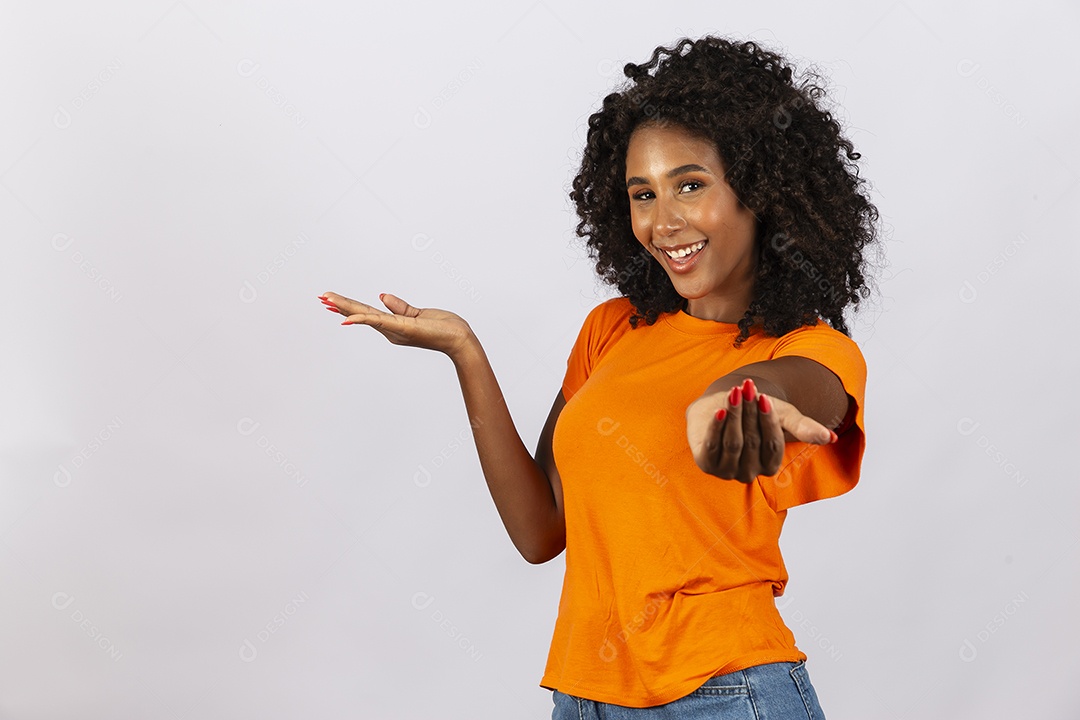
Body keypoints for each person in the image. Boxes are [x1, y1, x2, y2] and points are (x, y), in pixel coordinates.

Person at [319, 34, 880, 719]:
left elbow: (796, 385)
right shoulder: (612, 331)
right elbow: (539, 532)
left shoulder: (812, 347)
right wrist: (465, 351)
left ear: (758, 192)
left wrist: (737, 399)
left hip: (728, 692)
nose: (663, 221)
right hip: (583, 696)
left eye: (691, 185)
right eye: (643, 194)